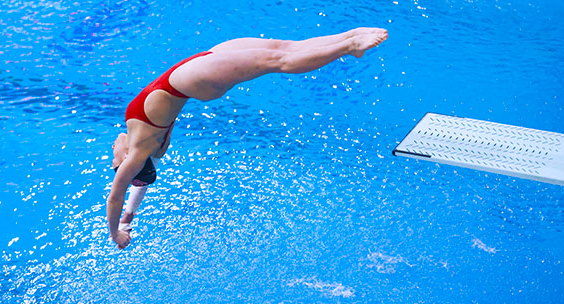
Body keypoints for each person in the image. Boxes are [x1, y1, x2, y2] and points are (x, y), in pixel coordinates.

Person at [108, 27, 388, 249]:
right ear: (125, 165)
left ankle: (349, 37)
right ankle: (350, 47)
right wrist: (115, 233)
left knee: (283, 47)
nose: (111, 156)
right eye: (113, 162)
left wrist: (129, 216)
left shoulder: (140, 145)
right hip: (195, 78)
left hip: (197, 64)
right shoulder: (138, 150)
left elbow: (137, 185)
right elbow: (116, 195)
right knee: (279, 60)